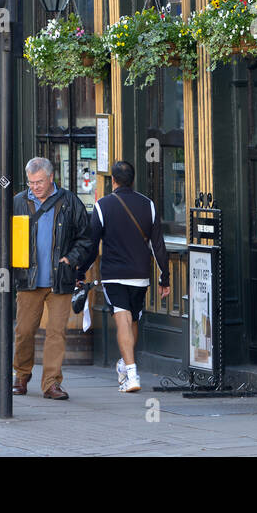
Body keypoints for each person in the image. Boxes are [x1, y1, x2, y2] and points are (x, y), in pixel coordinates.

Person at [80, 160, 169, 393]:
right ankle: (126, 365)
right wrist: (165, 278)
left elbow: (91, 245)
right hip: (140, 274)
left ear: (113, 180)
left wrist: (80, 271)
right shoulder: (148, 205)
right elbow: (158, 245)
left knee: (123, 319)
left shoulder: (102, 206)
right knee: (133, 319)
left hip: (114, 273)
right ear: (133, 179)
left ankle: (132, 374)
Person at [11, 157, 92, 401]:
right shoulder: (18, 202)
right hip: (28, 278)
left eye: (39, 182)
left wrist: (71, 258)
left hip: (60, 279)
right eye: (31, 182)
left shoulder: (69, 201)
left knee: (56, 332)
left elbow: (86, 237)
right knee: (24, 331)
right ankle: (22, 375)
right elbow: (4, 237)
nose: (34, 187)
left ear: (51, 178)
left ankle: (51, 383)